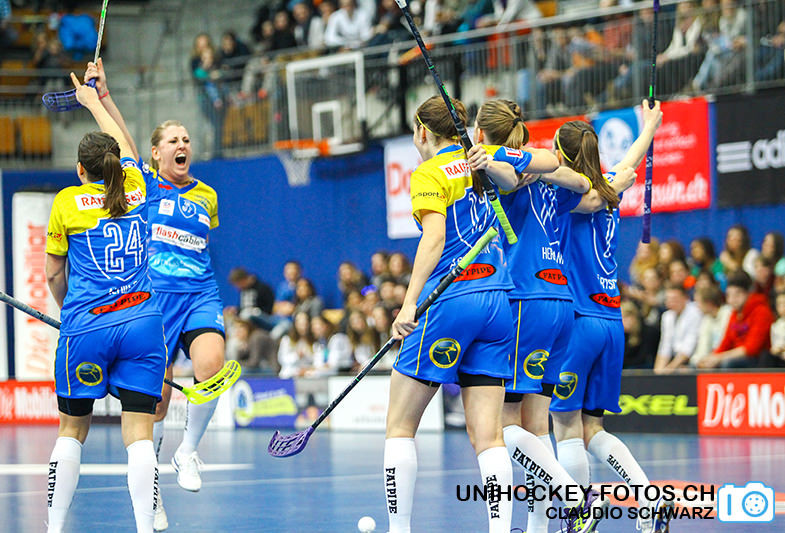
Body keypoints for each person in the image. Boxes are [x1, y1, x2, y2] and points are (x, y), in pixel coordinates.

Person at [384, 95, 602, 533]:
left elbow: (434, 238)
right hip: (499, 304)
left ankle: (399, 528)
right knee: (489, 436)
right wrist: (497, 159)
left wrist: (408, 303)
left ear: (423, 132)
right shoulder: (484, 158)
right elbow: (548, 162)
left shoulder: (429, 172)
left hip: (451, 299)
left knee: (400, 427)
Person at [85, 58, 227, 530]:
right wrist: (103, 96)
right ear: (155, 154)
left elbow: (202, 245)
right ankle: (152, 491)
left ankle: (188, 452)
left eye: (186, 139)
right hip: (155, 300)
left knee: (212, 367)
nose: (182, 145)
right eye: (173, 140)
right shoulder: (144, 184)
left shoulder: (207, 195)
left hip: (200, 292)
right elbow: (123, 141)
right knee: (159, 401)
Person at [467, 98, 605, 533]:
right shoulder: (544, 168)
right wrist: (529, 166)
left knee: (502, 426)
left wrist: (499, 163)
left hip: (525, 300)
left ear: (482, 133)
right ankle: (538, 527)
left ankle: (574, 497)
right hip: (561, 302)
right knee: (536, 427)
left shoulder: (503, 164)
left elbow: (509, 178)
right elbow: (582, 183)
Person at [45, 74, 165, 533]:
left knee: (72, 430)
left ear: (81, 170)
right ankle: (145, 528)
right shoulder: (137, 184)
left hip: (87, 328)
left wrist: (68, 312)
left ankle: (54, 528)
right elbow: (126, 145)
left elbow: (54, 274)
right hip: (142, 325)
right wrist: (95, 101)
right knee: (140, 436)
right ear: (116, 163)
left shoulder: (67, 202)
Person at [548, 100, 671, 533]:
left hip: (579, 321)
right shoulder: (610, 188)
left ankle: (579, 513)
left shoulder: (569, 195)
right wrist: (649, 126)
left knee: (565, 425)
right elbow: (628, 164)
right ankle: (648, 498)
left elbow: (575, 187)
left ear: (562, 155)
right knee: (593, 428)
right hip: (612, 322)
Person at [698, 270, 774, 368]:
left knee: (727, 363)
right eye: (729, 295)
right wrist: (711, 357)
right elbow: (726, 342)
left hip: (757, 360)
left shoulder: (761, 311)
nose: (731, 300)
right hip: (737, 356)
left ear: (748, 293)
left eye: (737, 295)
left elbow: (751, 349)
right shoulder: (735, 313)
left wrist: (719, 358)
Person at [653, 283, 703, 374]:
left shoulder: (695, 313)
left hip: (693, 359)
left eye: (674, 299)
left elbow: (689, 347)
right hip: (675, 358)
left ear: (685, 298)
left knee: (682, 370)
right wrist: (657, 372)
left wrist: (668, 370)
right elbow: (665, 346)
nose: (671, 302)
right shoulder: (667, 316)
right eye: (668, 299)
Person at [690, 285, 732, 367]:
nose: (697, 306)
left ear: (708, 304)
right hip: (711, 357)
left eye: (698, 302)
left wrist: (712, 358)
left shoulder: (728, 314)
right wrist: (698, 361)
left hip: (725, 355)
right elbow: (703, 347)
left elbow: (727, 344)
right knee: (693, 365)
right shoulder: (706, 319)